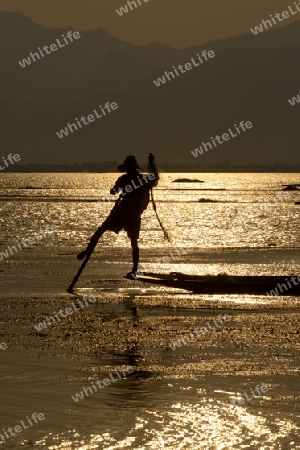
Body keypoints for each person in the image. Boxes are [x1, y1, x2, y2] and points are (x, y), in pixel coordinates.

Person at [77, 153, 159, 279]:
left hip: (124, 211)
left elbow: (113, 191)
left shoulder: (124, 179)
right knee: (132, 242)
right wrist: (151, 162)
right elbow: (155, 177)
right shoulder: (141, 179)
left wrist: (118, 188)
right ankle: (134, 269)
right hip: (132, 213)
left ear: (127, 168)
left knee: (102, 230)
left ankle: (89, 250)